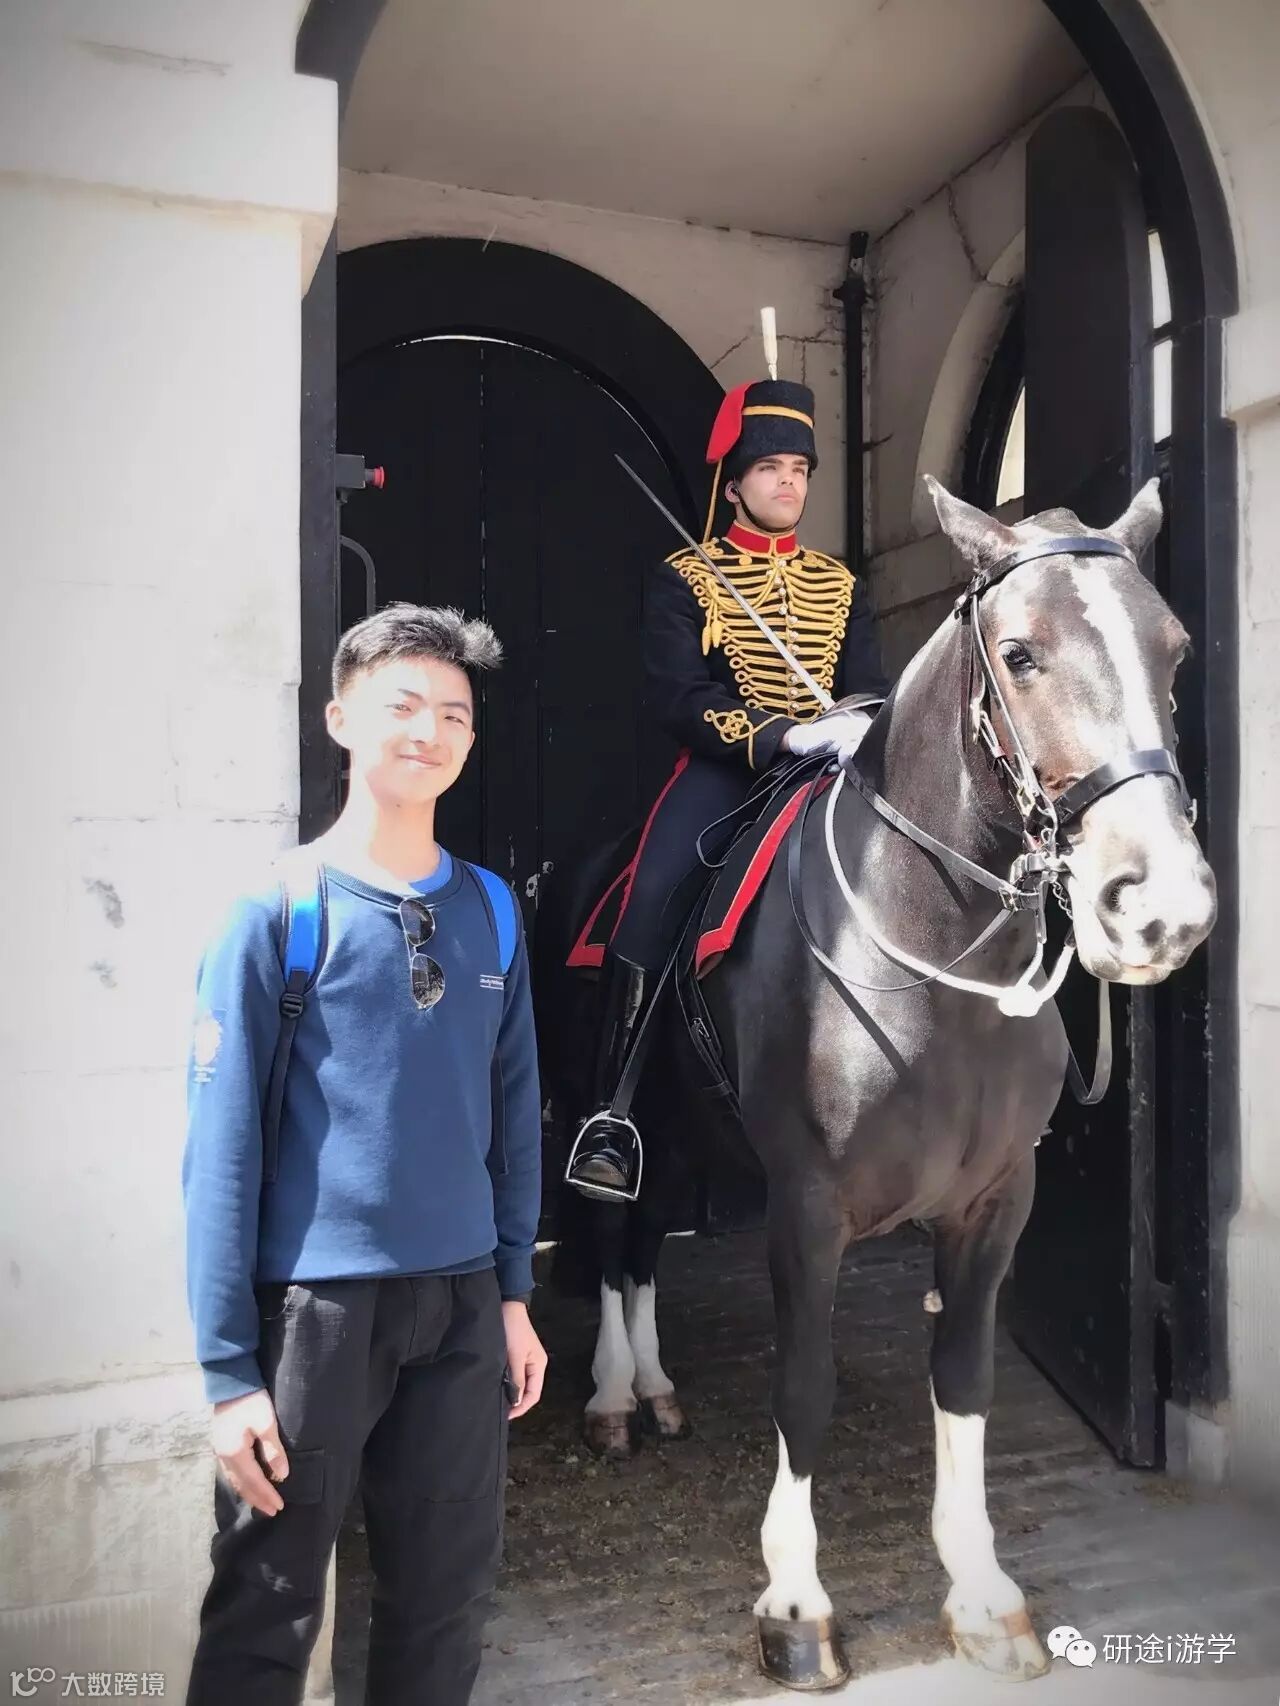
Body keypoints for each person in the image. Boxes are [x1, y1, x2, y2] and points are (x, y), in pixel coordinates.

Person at [182, 603, 547, 1706]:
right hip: (316, 1316)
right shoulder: (275, 912)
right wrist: (228, 1374)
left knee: (442, 1605)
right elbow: (220, 1157)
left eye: (454, 714)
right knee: (266, 1608)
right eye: (404, 705)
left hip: (461, 1309)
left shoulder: (490, 909)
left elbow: (513, 1111)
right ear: (341, 718)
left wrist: (513, 1294)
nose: (429, 731)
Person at [566, 378, 889, 1202]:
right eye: (771, 467)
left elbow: (868, 683)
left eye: (799, 470)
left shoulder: (840, 584)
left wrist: (855, 721)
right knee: (652, 895)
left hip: (830, 768)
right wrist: (781, 735)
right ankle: (615, 1112)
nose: (788, 482)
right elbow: (677, 695)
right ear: (736, 484)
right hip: (727, 770)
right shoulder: (689, 576)